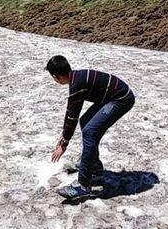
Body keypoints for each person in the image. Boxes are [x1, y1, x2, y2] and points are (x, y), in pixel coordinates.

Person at [47, 55, 135, 199]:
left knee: (90, 131)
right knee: (86, 121)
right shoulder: (76, 78)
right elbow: (71, 110)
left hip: (121, 99)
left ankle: (83, 185)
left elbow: (72, 116)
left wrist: (64, 145)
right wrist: (64, 134)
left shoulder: (77, 85)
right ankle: (94, 167)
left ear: (56, 77)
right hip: (112, 97)